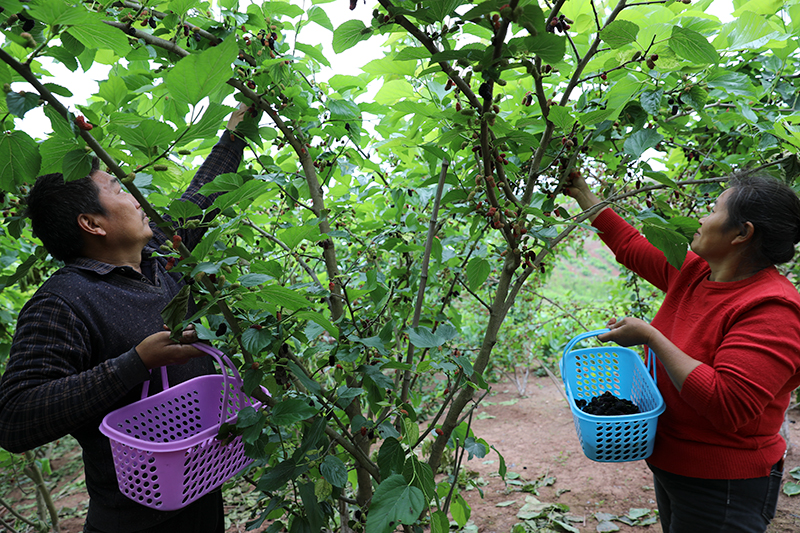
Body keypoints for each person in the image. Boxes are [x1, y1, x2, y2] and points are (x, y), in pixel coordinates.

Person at [0, 104, 249, 533]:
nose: (137, 197)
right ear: (92, 223)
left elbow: (200, 197)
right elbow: (15, 418)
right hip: (133, 519)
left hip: (201, 492)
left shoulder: (158, 259)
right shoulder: (62, 302)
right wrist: (135, 363)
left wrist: (235, 134)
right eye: (119, 189)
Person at [565, 170, 800, 533]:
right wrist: (582, 193)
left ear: (742, 233)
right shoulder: (694, 274)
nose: (701, 218)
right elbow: (629, 245)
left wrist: (652, 337)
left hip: (723, 486)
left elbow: (729, 405)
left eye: (714, 210)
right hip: (673, 465)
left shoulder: (773, 309)